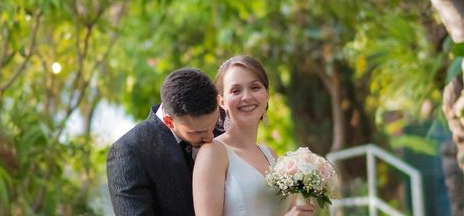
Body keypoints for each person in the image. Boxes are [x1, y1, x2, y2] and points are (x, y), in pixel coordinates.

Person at [193, 55, 316, 216]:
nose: (246, 97)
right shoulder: (213, 152)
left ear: (267, 95)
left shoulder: (271, 155)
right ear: (221, 101)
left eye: (255, 87)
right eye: (236, 90)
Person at [106, 67, 220, 216]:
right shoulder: (129, 151)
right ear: (169, 120)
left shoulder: (223, 132)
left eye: (212, 125)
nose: (210, 137)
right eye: (198, 132)